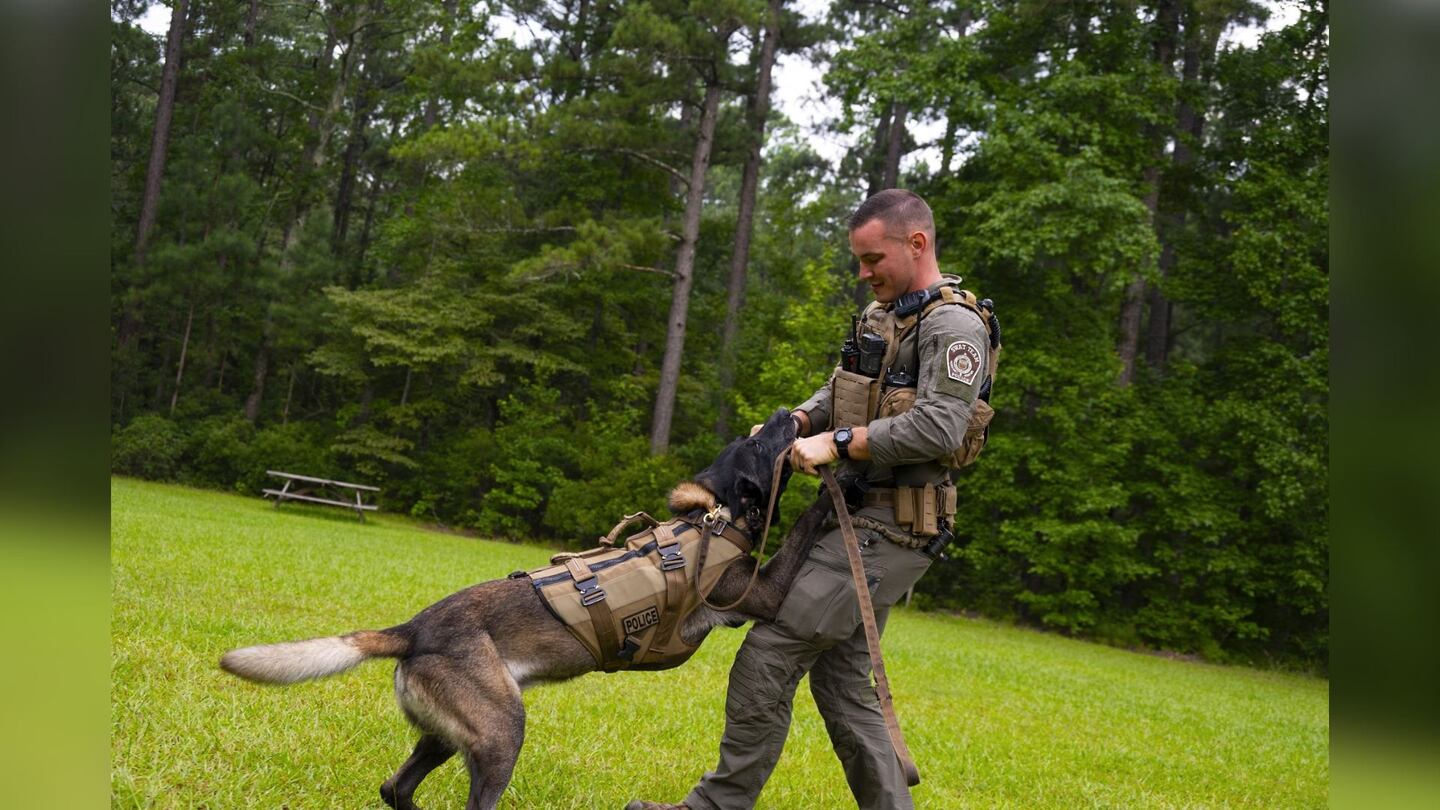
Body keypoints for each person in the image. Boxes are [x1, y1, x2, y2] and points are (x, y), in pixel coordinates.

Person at [629, 189, 991, 810]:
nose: (864, 273)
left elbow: (939, 428)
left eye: (873, 259)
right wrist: (797, 422)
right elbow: (840, 389)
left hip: (894, 528)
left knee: (767, 657)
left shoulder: (955, 328)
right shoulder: (882, 316)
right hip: (852, 518)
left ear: (917, 243)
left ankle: (714, 806)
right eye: (859, 260)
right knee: (844, 683)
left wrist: (838, 442)